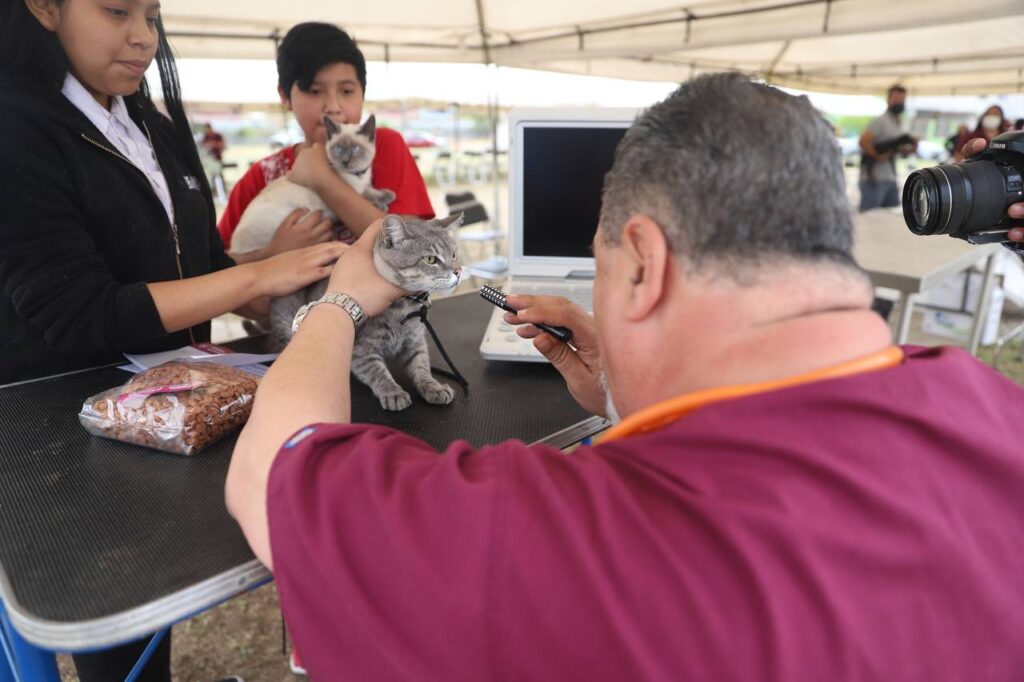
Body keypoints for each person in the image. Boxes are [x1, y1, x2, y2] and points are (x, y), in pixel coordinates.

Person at [226, 74, 1024, 680]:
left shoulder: (564, 540)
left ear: (644, 262)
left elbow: (274, 474)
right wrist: (623, 389)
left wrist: (338, 306)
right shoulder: (995, 407)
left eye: (602, 270)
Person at [0, 0, 345, 678]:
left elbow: (200, 269)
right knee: (114, 626)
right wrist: (268, 270)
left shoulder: (149, 123)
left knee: (156, 602)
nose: (142, 37)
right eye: (117, 10)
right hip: (57, 438)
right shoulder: (17, 127)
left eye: (153, 16)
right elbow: (80, 312)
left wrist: (285, 281)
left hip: (173, 408)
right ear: (43, 7)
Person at [216, 22, 434, 255]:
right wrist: (271, 253)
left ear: (363, 93)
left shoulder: (383, 146)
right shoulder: (261, 177)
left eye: (347, 91)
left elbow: (411, 250)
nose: (333, 107)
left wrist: (323, 180)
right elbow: (218, 266)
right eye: (314, 91)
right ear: (285, 96)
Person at [858, 84, 917, 211]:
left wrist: (911, 148)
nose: (899, 102)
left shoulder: (898, 123)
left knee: (889, 216)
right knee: (870, 216)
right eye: (896, 99)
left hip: (890, 176)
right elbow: (863, 141)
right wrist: (877, 155)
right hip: (873, 177)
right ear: (889, 99)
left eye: (902, 99)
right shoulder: (880, 121)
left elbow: (899, 149)